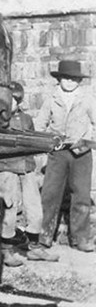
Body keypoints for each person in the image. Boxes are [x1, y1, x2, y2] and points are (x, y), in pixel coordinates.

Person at [0, 82, 58, 266]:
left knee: (35, 207)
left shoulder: (26, 118)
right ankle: (7, 251)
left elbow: (33, 139)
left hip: (26, 166)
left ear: (19, 101)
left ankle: (34, 247)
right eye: (8, 100)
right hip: (5, 168)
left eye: (15, 100)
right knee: (9, 208)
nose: (11, 104)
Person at [35, 59, 96, 253]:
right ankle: (43, 237)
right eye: (65, 78)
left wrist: (88, 141)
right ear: (59, 79)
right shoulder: (52, 99)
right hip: (58, 153)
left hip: (82, 154)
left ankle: (81, 238)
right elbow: (39, 125)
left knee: (81, 196)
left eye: (74, 79)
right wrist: (47, 144)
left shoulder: (87, 99)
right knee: (50, 195)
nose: (69, 82)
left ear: (79, 81)